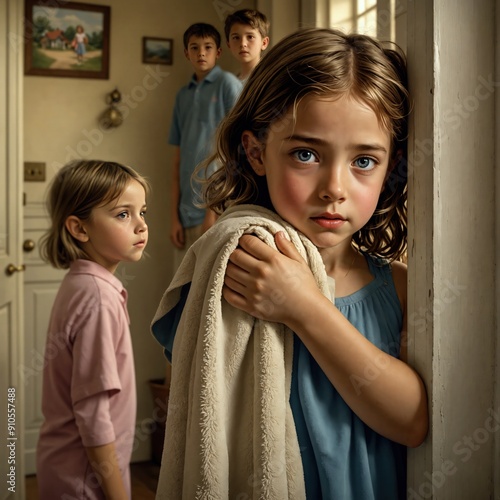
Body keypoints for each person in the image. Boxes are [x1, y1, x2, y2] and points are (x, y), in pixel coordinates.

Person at [154, 27, 429, 499]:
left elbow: (412, 422)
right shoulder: (236, 266)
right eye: (306, 154)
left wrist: (303, 306)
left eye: (364, 161)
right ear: (257, 153)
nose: (335, 188)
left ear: (392, 167)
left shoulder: (400, 287)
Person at [36, 160, 149, 499]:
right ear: (79, 228)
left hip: (68, 469)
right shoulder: (98, 298)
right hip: (86, 479)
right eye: (123, 214)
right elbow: (93, 415)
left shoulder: (82, 284)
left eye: (143, 212)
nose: (141, 225)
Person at [169, 22, 242, 271]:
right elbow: (177, 158)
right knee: (182, 289)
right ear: (186, 53)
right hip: (186, 212)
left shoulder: (228, 85)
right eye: (195, 47)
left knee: (209, 286)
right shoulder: (182, 95)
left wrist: (213, 212)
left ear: (218, 52)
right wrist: (174, 217)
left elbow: (237, 150)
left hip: (217, 209)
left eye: (208, 47)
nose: (201, 53)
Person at [224, 9, 270, 82]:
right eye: (236, 37)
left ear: (264, 43)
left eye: (250, 37)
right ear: (228, 44)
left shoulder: (269, 79)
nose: (243, 44)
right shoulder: (230, 82)